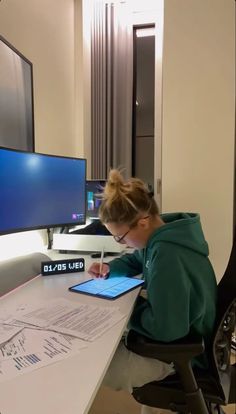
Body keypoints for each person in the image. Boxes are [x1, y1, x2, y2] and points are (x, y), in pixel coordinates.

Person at [88, 169, 217, 412]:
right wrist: (109, 267)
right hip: (188, 336)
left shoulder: (168, 256)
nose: (122, 244)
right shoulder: (163, 236)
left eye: (120, 238)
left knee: (96, 361)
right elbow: (137, 259)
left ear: (143, 222)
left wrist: (125, 310)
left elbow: (167, 330)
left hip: (181, 355)